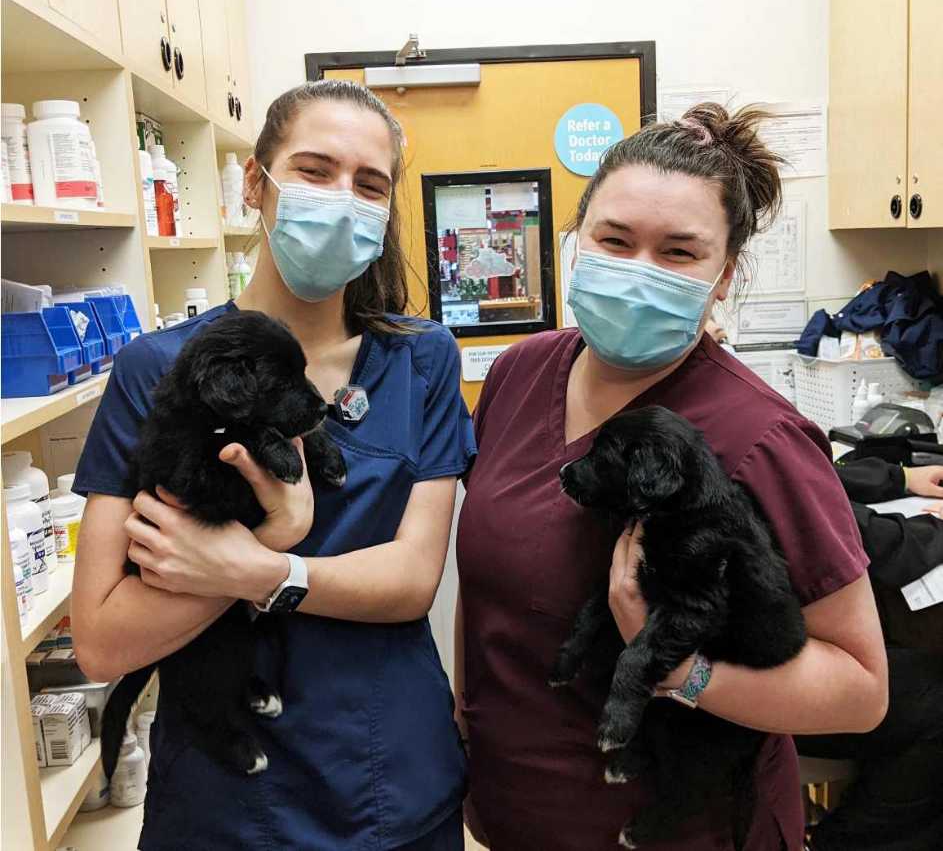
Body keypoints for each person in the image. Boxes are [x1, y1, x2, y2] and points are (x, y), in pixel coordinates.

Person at [456, 104, 888, 850]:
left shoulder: (759, 438)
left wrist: (678, 670)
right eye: (613, 240)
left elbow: (860, 690)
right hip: (510, 810)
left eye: (678, 253)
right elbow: (491, 588)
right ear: (575, 239)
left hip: (681, 830)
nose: (635, 272)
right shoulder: (520, 374)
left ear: (724, 277)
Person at [71, 80, 475, 850]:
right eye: (314, 170)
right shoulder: (155, 368)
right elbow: (101, 641)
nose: (341, 199)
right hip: (223, 798)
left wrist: (258, 565)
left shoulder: (419, 358)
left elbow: (411, 580)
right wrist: (281, 532)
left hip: (388, 776)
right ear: (255, 184)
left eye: (369, 184)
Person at [797, 458, 943, 851]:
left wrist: (901, 477)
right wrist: (930, 535)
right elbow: (806, 504)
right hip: (725, 677)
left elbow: (803, 473)